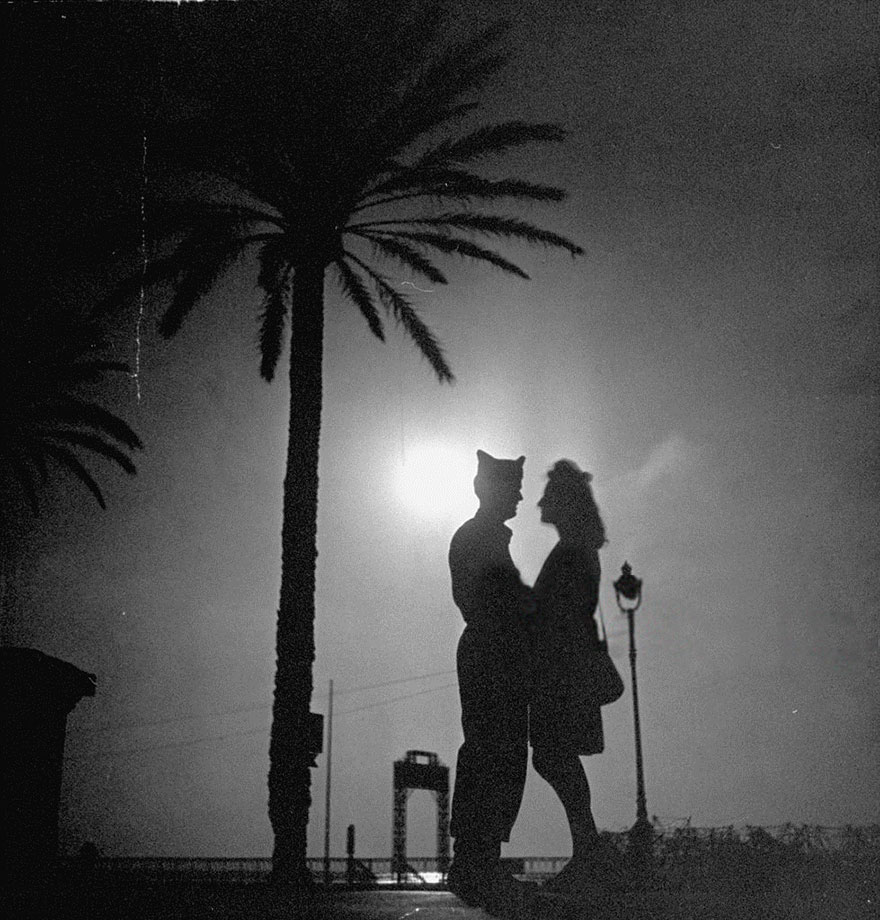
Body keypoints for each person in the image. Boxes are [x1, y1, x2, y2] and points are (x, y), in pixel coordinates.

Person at [446, 449, 537, 915]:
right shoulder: (479, 538)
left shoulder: (480, 537)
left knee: (495, 752)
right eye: (514, 486)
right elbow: (494, 601)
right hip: (492, 655)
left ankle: (479, 856)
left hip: (493, 653)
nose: (520, 495)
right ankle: (475, 859)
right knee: (492, 751)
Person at [530, 459, 621, 894]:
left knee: (553, 755)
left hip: (563, 673)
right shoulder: (579, 550)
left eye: (548, 495)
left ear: (563, 503)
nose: (540, 502)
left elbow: (557, 614)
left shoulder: (571, 553)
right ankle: (589, 852)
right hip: (568, 671)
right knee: (555, 756)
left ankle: (589, 853)